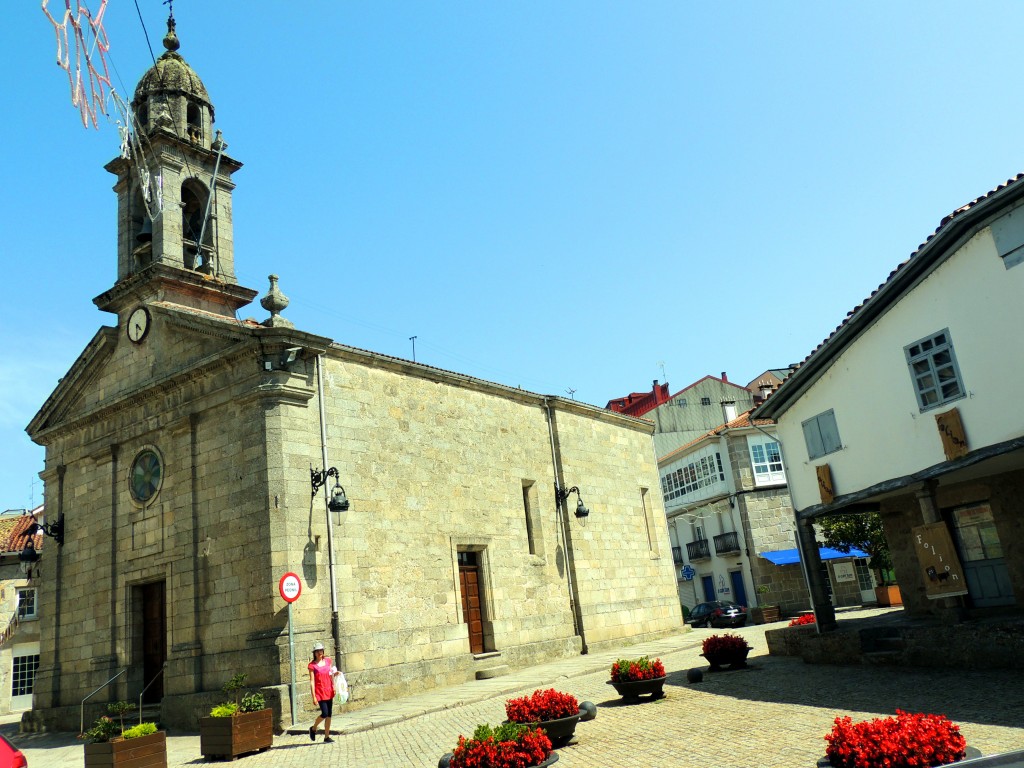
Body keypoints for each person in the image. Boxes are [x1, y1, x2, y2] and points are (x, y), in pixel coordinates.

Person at [307, 641, 337, 743]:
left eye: (321, 650)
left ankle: (326, 736)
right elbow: (312, 681)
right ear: (314, 653)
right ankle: (313, 728)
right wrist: (314, 696)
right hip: (320, 692)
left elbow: (331, 674)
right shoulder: (312, 665)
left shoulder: (328, 661)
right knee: (324, 713)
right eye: (317, 651)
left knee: (329, 714)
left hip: (329, 690)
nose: (320, 653)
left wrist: (334, 686)